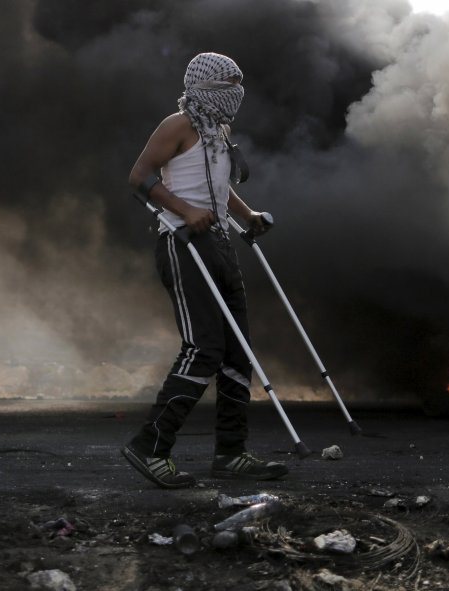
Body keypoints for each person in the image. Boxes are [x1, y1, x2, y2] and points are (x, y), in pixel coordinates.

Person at [121, 52, 288, 489]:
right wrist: (184, 210)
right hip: (182, 242)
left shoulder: (219, 130)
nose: (234, 94)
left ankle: (231, 453)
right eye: (225, 85)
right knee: (204, 347)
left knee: (238, 350)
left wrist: (248, 215)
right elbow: (139, 176)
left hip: (219, 244)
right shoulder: (176, 125)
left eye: (238, 84)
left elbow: (219, 188)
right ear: (201, 88)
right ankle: (149, 445)